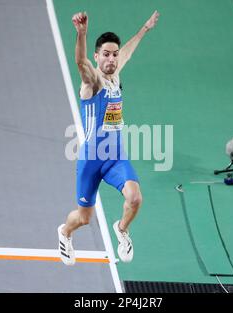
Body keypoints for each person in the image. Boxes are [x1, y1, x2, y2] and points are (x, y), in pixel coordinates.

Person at [58, 10, 160, 266]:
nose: (112, 58)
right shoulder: (92, 82)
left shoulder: (115, 74)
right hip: (91, 160)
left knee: (135, 198)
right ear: (97, 56)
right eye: (106, 54)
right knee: (83, 218)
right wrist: (81, 34)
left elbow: (129, 50)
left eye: (114, 54)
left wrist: (145, 28)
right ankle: (64, 233)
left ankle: (122, 230)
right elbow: (81, 63)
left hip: (115, 158)